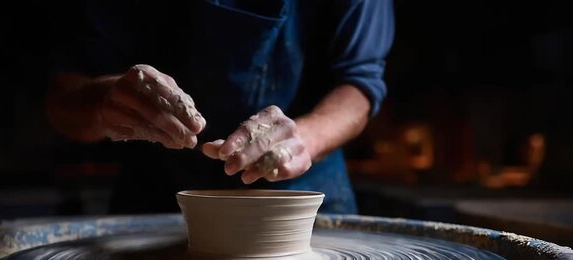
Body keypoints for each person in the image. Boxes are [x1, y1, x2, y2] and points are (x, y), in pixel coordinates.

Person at [46, 0, 394, 214]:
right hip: (160, 195)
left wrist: (306, 138)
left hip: (300, 194)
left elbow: (361, 83)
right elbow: (62, 99)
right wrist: (106, 102)